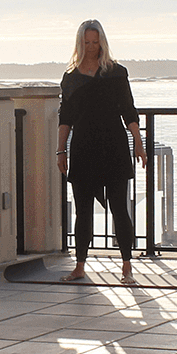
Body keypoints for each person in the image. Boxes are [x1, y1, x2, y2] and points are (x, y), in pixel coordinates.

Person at [56, 19, 145, 282]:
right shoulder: (70, 78)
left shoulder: (116, 72)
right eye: (87, 42)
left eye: (95, 42)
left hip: (114, 146)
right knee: (82, 210)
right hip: (83, 148)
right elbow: (66, 118)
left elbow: (128, 110)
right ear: (80, 43)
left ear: (102, 42)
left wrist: (138, 142)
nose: (92, 47)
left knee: (120, 208)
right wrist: (60, 151)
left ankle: (127, 266)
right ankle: (80, 266)